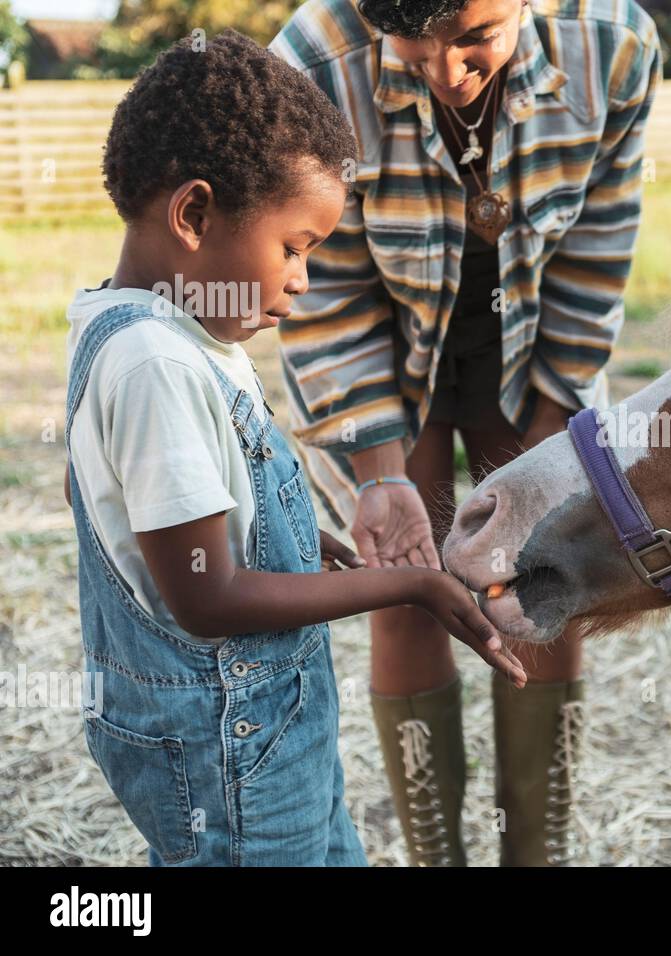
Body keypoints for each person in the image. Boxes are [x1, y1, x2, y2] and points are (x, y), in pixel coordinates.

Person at [65, 31, 525, 867]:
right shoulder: (155, 363)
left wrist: (311, 543)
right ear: (196, 214)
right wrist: (413, 584)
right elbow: (210, 597)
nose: (304, 280)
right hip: (227, 757)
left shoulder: (188, 334)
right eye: (294, 247)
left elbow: (194, 521)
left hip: (268, 736)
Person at [270, 0, 662, 865]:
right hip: (384, 352)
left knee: (540, 587)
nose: (448, 75)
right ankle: (438, 858)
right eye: (413, 57)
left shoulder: (618, 46)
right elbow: (324, 291)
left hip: (532, 350)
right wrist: (380, 475)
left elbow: (599, 246)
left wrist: (551, 449)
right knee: (408, 593)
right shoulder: (312, 66)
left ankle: (535, 853)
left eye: (477, 40)